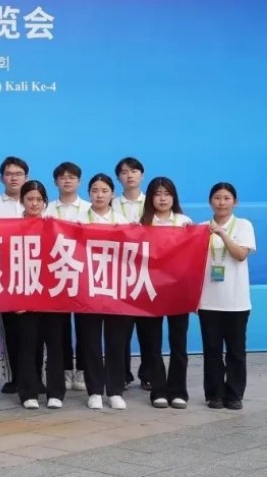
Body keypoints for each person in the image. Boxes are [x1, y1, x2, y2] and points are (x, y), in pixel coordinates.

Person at [77, 174, 133, 410]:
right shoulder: (78, 221)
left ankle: (115, 390)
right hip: (86, 289)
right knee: (90, 342)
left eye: (104, 191)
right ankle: (94, 391)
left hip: (116, 290)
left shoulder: (122, 221)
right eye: (95, 191)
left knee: (116, 342)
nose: (99, 195)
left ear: (112, 194)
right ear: (89, 194)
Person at [138, 177, 194, 409]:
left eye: (167, 194)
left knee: (178, 343)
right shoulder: (142, 223)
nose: (162, 198)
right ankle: (158, 390)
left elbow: (192, 256)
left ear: (174, 197)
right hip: (150, 289)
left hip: (178, 290)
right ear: (150, 198)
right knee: (152, 343)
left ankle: (178, 390)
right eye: (157, 194)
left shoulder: (184, 222)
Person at [199, 183, 255, 411]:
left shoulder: (243, 225)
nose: (221, 202)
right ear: (210, 201)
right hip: (208, 300)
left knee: (236, 351)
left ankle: (234, 394)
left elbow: (240, 254)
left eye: (226, 198)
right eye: (217, 198)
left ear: (235, 202)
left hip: (236, 301)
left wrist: (222, 233)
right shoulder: (201, 228)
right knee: (211, 351)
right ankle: (214, 394)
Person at [16, 180, 66, 410]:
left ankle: (56, 392)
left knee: (55, 346)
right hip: (25, 296)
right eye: (30, 199)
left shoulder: (55, 226)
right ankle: (29, 392)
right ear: (22, 201)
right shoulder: (12, 228)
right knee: (27, 345)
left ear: (45, 202)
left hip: (53, 296)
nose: (34, 203)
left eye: (39, 199)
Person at [0, 156, 29, 396]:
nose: (14, 178)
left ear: (26, 177)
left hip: (31, 275)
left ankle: (33, 376)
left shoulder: (35, 201)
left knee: (32, 331)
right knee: (9, 330)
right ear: (1, 178)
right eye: (9, 174)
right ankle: (14, 378)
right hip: (3, 276)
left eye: (18, 174)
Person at [44, 162, 88, 392]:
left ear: (79, 181)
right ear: (55, 182)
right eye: (62, 177)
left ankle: (83, 369)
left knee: (84, 325)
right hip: (56, 274)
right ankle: (64, 368)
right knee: (59, 326)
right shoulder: (47, 210)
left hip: (84, 275)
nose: (67, 180)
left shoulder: (89, 209)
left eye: (72, 177)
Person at [114, 157, 147, 388]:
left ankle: (148, 374)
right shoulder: (112, 204)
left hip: (147, 272)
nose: (130, 175)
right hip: (118, 273)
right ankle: (122, 374)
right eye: (124, 172)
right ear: (119, 178)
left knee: (147, 328)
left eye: (134, 171)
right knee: (120, 329)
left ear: (141, 175)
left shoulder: (152, 202)